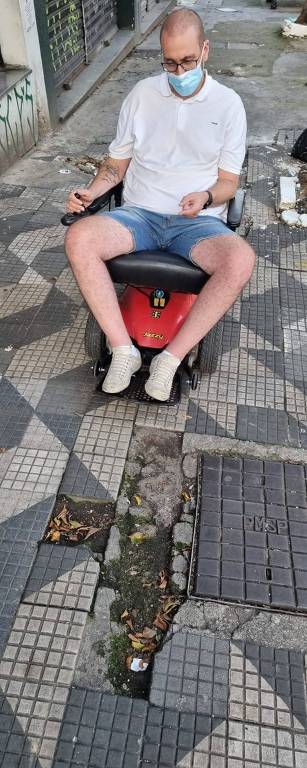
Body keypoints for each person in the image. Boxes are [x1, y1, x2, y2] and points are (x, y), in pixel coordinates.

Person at [65, 8, 255, 401]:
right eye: (169, 62)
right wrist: (92, 190)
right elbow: (116, 165)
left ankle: (170, 358)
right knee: (80, 238)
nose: (179, 70)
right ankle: (123, 350)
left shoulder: (228, 104)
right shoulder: (141, 96)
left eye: (187, 60)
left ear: (205, 50)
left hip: (197, 222)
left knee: (240, 260)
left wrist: (205, 197)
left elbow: (228, 183)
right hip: (140, 216)